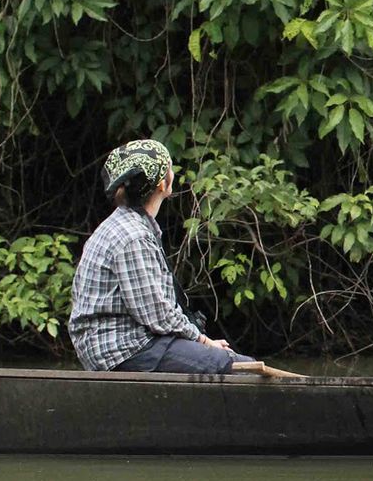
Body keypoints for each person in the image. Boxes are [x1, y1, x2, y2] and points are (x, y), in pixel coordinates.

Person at [68, 139, 253, 374]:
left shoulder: (128, 224)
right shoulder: (132, 236)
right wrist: (205, 342)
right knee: (242, 369)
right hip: (123, 349)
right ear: (161, 184)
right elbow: (156, 314)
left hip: (132, 342)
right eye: (170, 168)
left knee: (235, 361)